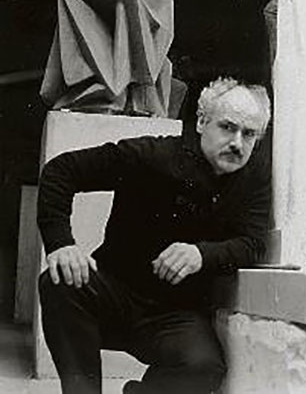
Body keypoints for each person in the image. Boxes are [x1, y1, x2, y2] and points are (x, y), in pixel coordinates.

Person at [37, 77, 272, 394]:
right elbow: (61, 171)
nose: (237, 143)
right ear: (201, 122)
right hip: (113, 295)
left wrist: (201, 254)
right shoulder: (152, 155)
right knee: (60, 281)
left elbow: (253, 244)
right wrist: (61, 244)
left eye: (249, 134)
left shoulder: (252, 178)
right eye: (227, 127)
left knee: (204, 367)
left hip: (174, 315)